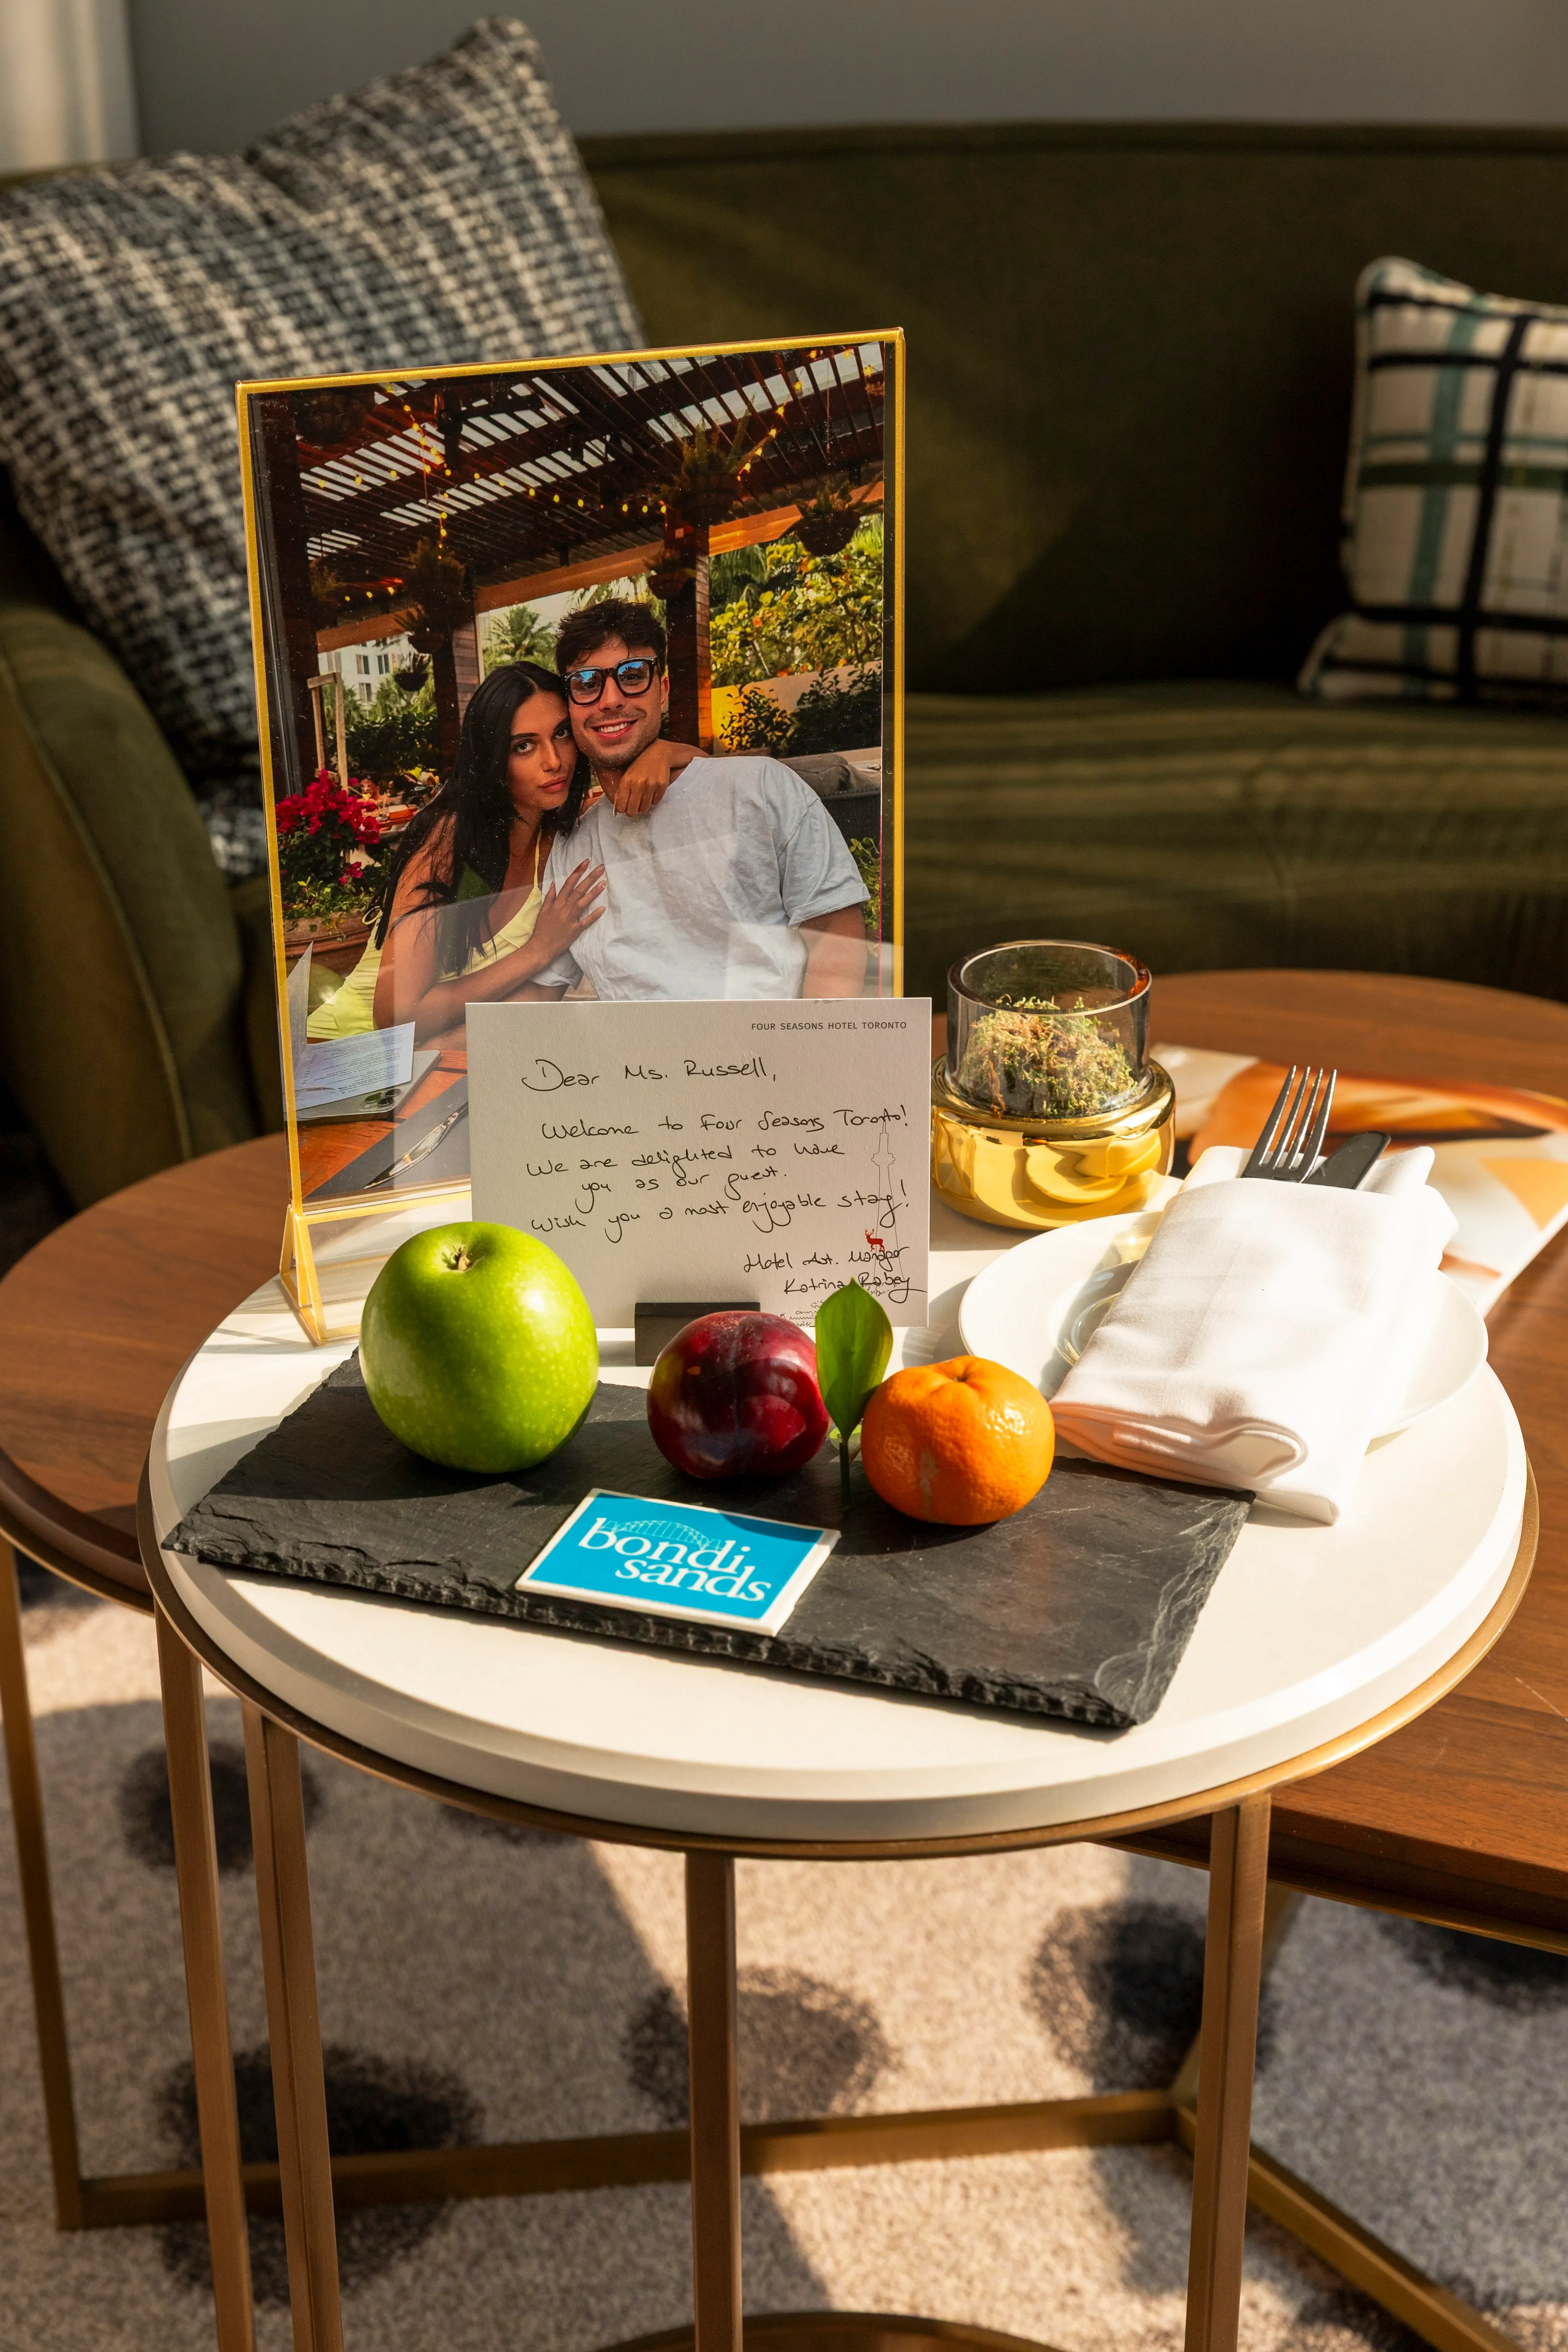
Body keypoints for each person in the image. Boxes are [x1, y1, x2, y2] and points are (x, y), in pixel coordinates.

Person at [305, 660, 689, 1043]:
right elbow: (394, 1020)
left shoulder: (565, 839)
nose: (553, 761)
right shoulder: (451, 840)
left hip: (434, 1067)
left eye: (561, 735)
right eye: (524, 746)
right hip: (343, 1059)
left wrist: (662, 753)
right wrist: (537, 952)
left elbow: (701, 778)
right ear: (492, 758)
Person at [519, 599, 870, 1002]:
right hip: (637, 1063)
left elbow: (834, 942)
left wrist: (808, 1053)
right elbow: (538, 997)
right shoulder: (573, 848)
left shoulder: (761, 789)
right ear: (569, 704)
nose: (610, 698)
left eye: (632, 675)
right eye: (586, 683)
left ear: (663, 690)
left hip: (763, 1057)